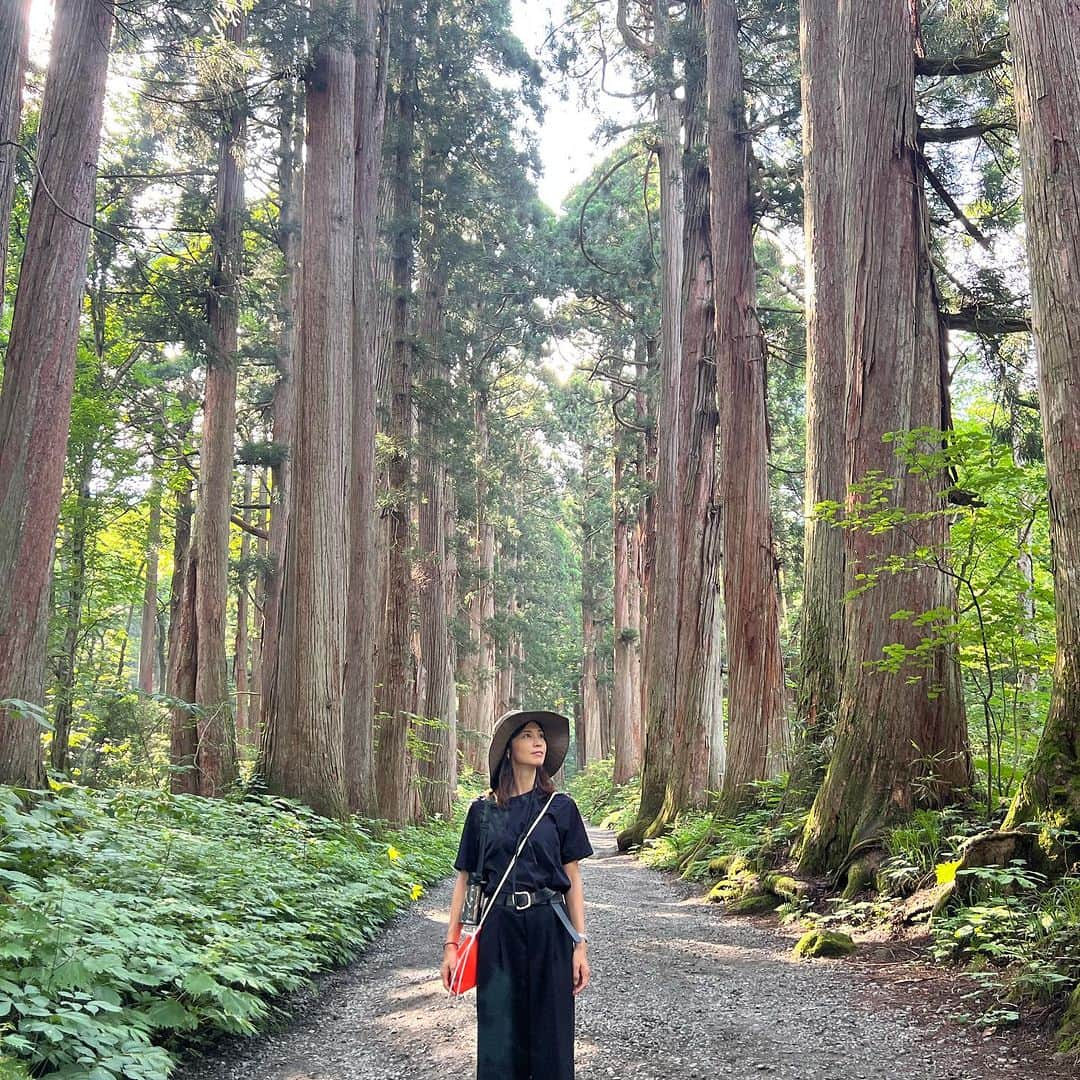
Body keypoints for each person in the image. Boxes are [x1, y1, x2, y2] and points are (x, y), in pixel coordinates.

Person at [441, 709, 594, 1080]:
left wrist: (580, 944)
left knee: (552, 1038)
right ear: (508, 748)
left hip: (549, 928)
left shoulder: (560, 808)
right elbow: (468, 880)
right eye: (527, 735)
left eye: (540, 735)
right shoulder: (482, 812)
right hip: (498, 931)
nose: (538, 741)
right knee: (498, 1038)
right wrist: (452, 944)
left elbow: (572, 877)